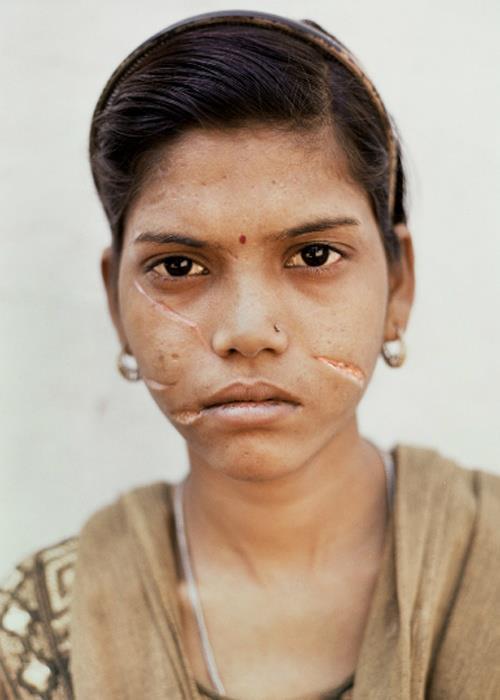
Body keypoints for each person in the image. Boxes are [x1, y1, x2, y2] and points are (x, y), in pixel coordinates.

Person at [1, 10, 499, 700]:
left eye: (314, 255)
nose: (247, 330)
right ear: (117, 303)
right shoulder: (37, 637)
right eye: (178, 266)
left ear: (398, 284)